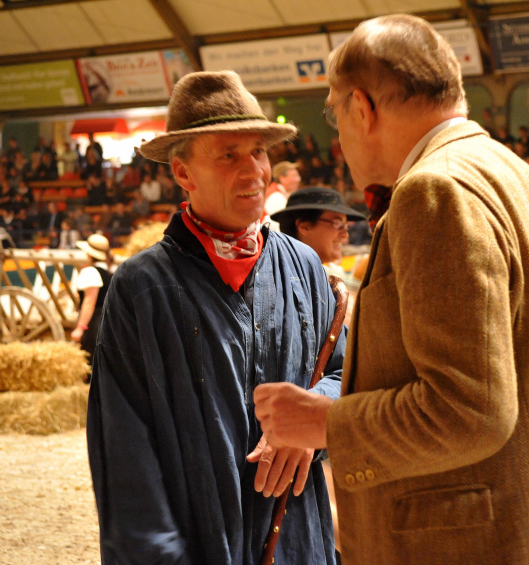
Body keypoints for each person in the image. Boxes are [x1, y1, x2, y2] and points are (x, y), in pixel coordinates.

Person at [253, 14, 529, 565]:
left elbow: (470, 410)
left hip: (495, 542)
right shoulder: (528, 180)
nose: (338, 137)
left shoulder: (433, 191)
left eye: (333, 115)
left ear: (361, 109)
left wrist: (322, 423)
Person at [86, 70, 344, 565]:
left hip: (296, 537)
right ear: (183, 173)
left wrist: (312, 421)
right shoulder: (143, 289)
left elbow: (345, 370)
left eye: (259, 152)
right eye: (229, 155)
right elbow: (125, 456)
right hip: (197, 542)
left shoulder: (304, 268)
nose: (254, 172)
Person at [271, 186, 366, 266]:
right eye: (337, 224)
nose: (345, 235)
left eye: (346, 226)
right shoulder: (278, 279)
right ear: (305, 227)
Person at [71, 234, 114, 364]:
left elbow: (89, 302)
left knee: (92, 362)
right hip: (110, 321)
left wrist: (80, 328)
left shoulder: (90, 272)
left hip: (95, 323)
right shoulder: (109, 271)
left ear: (89, 254)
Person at [264, 160, 301, 230]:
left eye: (298, 175)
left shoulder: (282, 193)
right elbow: (282, 227)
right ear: (282, 179)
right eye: (294, 176)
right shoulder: (276, 197)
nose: (298, 179)